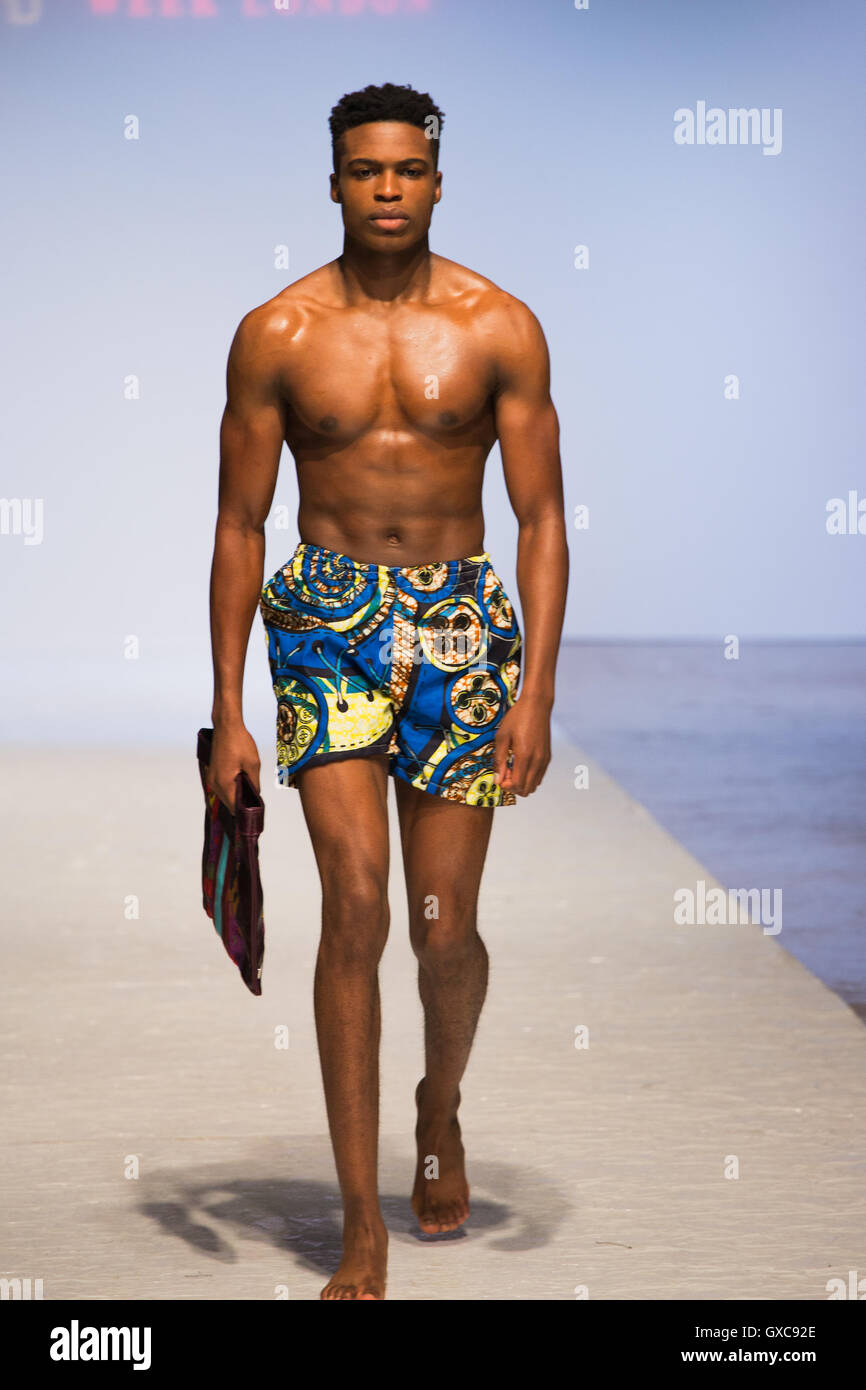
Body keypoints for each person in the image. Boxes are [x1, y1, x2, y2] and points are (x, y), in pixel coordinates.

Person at [207, 81, 568, 1300]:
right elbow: (238, 524)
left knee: (442, 928)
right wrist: (228, 714)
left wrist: (538, 693)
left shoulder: (498, 325)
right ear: (333, 181)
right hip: (325, 624)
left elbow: (541, 516)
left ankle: (438, 1103)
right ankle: (359, 1221)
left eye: (406, 170)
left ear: (434, 178)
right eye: (365, 170)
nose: (387, 189)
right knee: (354, 907)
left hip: (462, 627)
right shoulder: (277, 334)